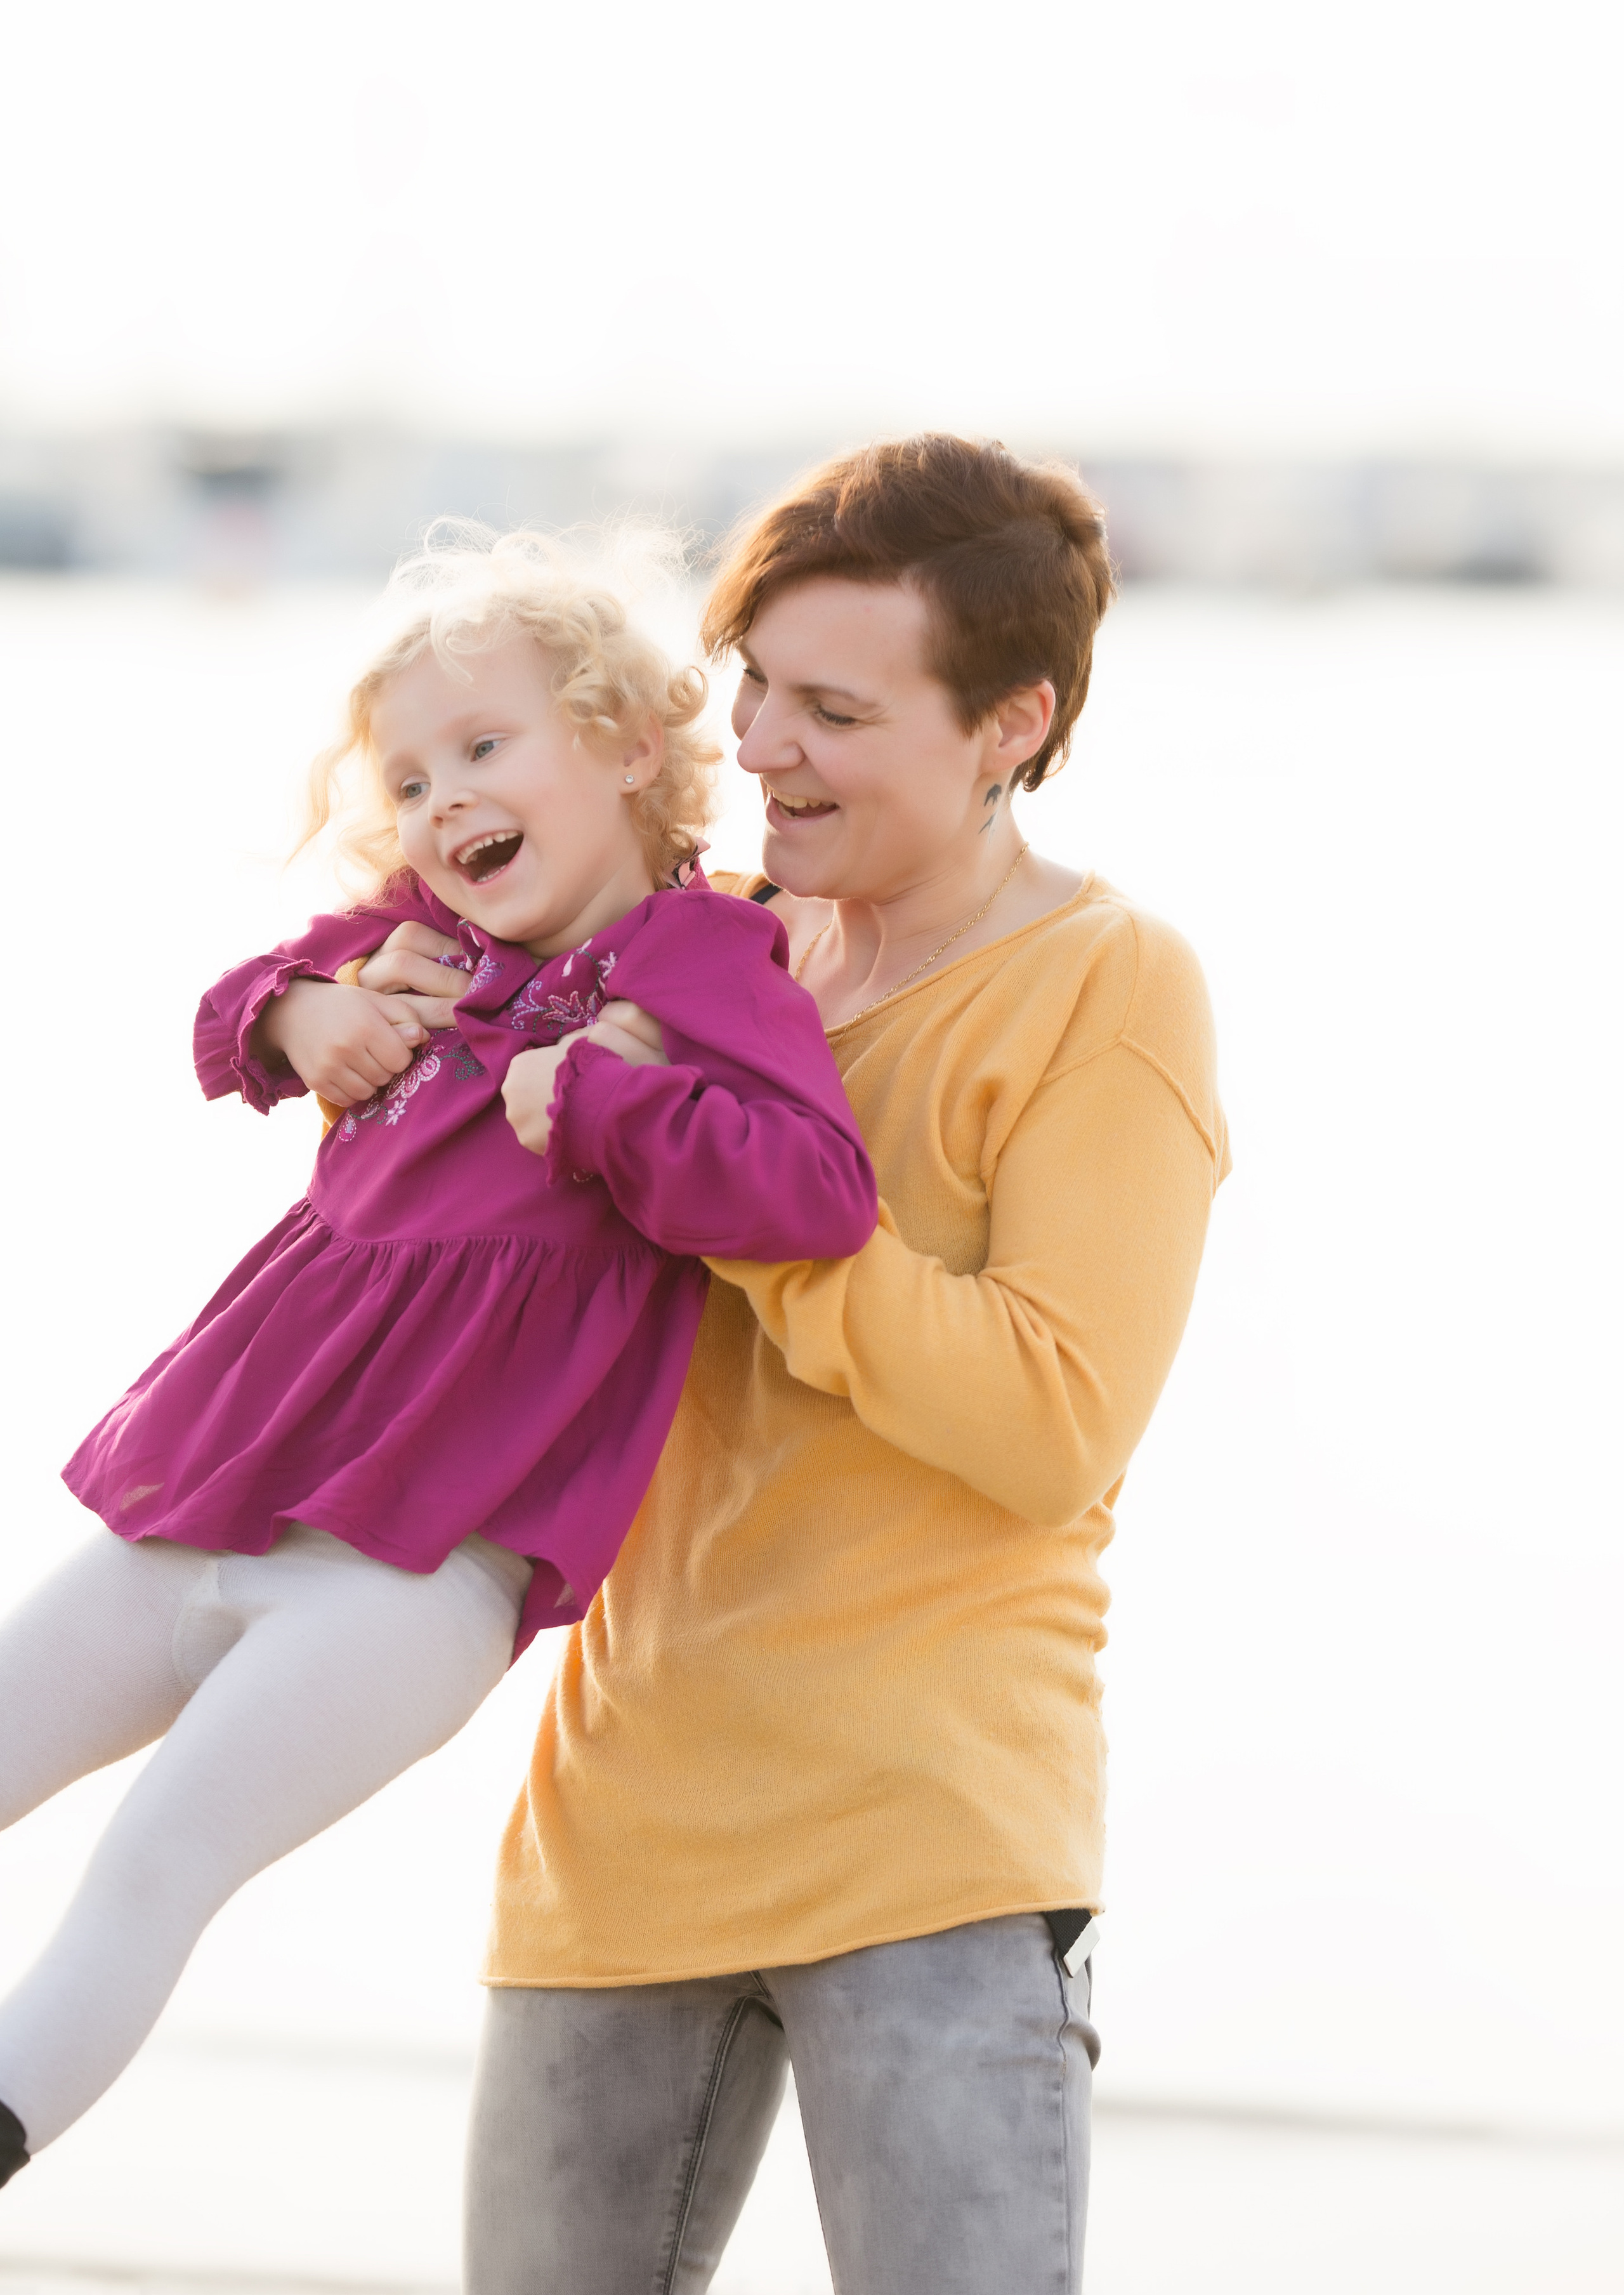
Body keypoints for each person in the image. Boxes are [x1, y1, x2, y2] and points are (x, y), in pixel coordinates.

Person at [344, 437, 1231, 2292]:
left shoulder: (1108, 987)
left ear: (1011, 723)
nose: (756, 746)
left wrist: (706, 1174)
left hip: (931, 1863)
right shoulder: (698, 947)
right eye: (750, 684)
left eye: (833, 708)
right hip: (615, 1845)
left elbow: (1047, 1419)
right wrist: (320, 1014)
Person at [0, 529, 876, 2192]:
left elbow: (820, 1192)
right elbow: (234, 1007)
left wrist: (604, 1102)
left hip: (416, 1572)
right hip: (211, 1487)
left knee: (152, 1865)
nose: (440, 801)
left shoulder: (708, 965)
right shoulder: (414, 938)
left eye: (484, 748)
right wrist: (299, 1011)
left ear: (628, 747)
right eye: (408, 777)